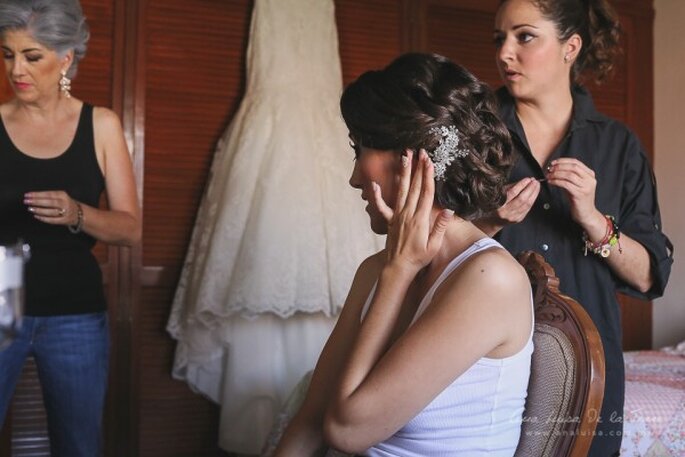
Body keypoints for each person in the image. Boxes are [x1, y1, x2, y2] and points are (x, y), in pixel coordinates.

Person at [273, 52, 533, 456]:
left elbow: (346, 430)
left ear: (412, 158)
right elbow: (311, 419)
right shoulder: (374, 269)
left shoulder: (490, 280)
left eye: (361, 151)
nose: (354, 176)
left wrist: (399, 273)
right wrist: (393, 269)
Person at [487, 1, 674, 455]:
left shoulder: (619, 145)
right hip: (485, 365)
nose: (505, 53)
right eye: (500, 39)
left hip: (589, 373)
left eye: (524, 37)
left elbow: (650, 275)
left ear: (571, 47)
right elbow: (430, 244)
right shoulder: (476, 132)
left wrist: (593, 220)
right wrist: (491, 220)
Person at [0, 0, 140, 456]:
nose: (16, 69)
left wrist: (77, 213)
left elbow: (129, 229)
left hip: (75, 312)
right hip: (1, 299)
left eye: (31, 56)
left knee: (79, 446)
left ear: (65, 59)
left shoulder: (101, 125)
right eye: (7, 54)